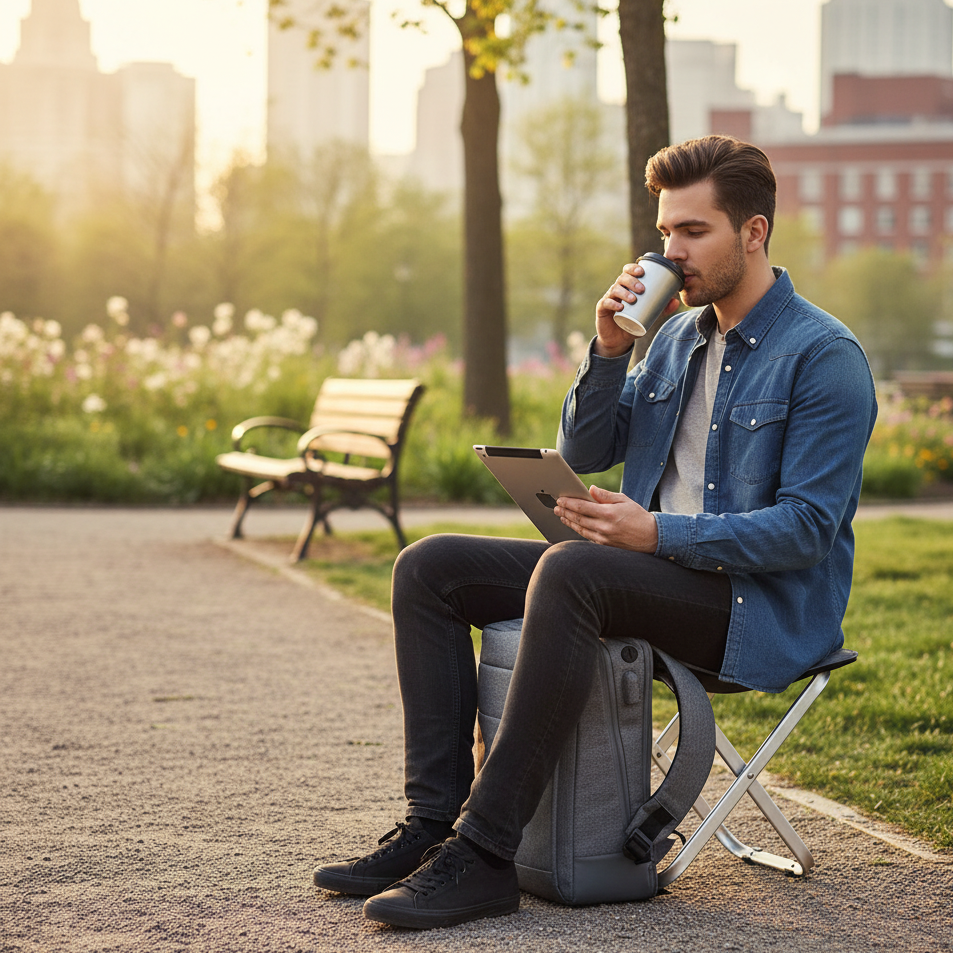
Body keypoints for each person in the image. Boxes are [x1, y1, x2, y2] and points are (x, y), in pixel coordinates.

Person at [312, 135, 878, 930]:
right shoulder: (677, 339)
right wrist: (609, 348)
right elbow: (585, 449)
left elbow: (806, 531)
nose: (670, 253)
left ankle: (483, 854)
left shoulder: (822, 356)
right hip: (641, 576)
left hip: (756, 611)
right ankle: (430, 827)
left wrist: (655, 534)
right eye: (664, 234)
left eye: (692, 232)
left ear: (753, 232)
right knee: (429, 565)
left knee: (575, 571)